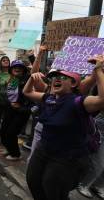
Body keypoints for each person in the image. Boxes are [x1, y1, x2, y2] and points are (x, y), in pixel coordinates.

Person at [24, 55, 104, 200]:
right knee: (32, 180)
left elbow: (101, 100)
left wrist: (98, 69)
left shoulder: (79, 102)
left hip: (65, 157)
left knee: (52, 187)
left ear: (73, 84)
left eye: (63, 77)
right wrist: (32, 78)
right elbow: (27, 92)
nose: (56, 79)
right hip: (43, 150)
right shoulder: (48, 98)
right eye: (54, 77)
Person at [0, 60, 31, 161]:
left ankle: (16, 154)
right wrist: (10, 103)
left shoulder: (27, 80)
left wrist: (35, 56)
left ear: (23, 70)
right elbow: (9, 97)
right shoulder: (12, 80)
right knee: (3, 131)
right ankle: (9, 149)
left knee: (11, 133)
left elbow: (34, 72)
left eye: (20, 67)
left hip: (22, 112)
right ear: (11, 70)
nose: (17, 69)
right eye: (15, 67)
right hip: (10, 111)